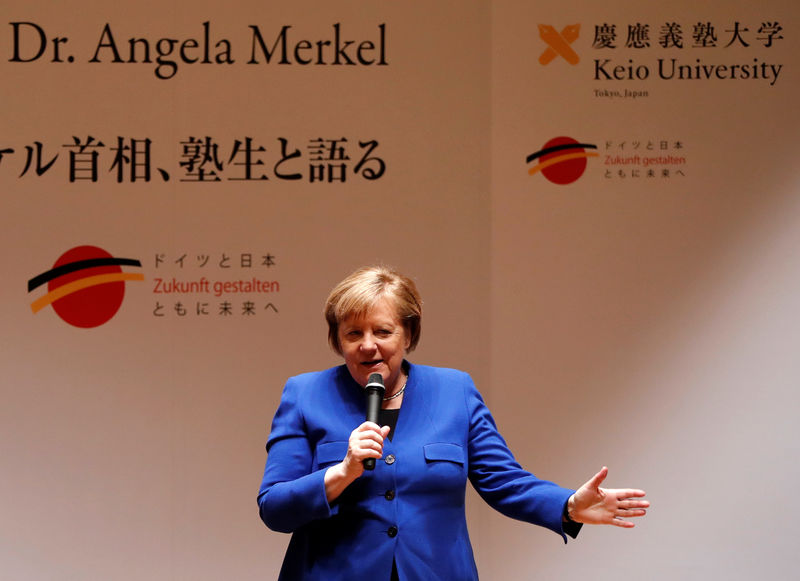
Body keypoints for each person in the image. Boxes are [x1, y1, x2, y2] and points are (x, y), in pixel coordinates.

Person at [257, 266, 648, 580]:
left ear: (408, 334)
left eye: (382, 331)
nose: (368, 344)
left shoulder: (454, 390)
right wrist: (341, 473)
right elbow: (274, 507)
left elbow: (504, 482)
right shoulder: (305, 394)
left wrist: (567, 505)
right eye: (353, 333)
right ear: (337, 340)